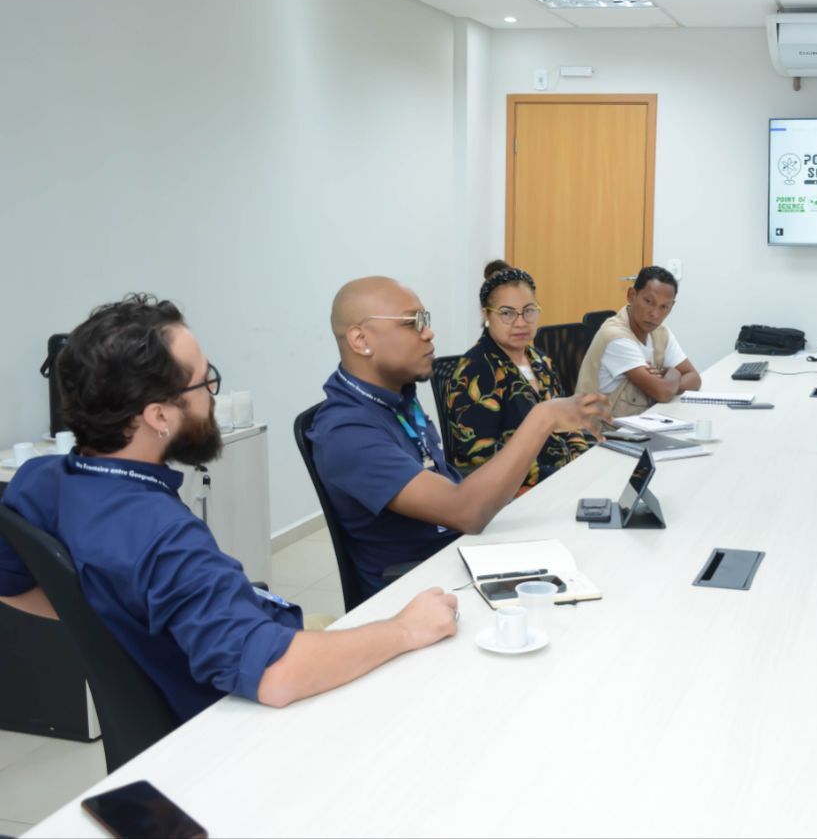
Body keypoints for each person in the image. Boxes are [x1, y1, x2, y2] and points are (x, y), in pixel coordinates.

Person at [0, 295, 460, 722]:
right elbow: (276, 675)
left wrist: (115, 627)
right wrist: (404, 629)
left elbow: (11, 585)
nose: (213, 396)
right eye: (204, 381)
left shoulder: (41, 478)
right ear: (159, 416)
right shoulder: (164, 537)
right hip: (243, 717)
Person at [308, 276, 608, 595]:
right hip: (420, 589)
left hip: (459, 554)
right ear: (360, 339)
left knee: (591, 558)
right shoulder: (345, 433)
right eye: (413, 323)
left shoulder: (396, 399)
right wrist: (544, 416)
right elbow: (465, 512)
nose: (429, 333)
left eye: (426, 320)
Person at [445, 260, 589, 485]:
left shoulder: (541, 360)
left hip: (562, 478)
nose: (521, 322)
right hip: (519, 489)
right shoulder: (477, 369)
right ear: (486, 314)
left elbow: (569, 420)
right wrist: (559, 478)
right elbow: (483, 456)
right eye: (507, 313)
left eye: (529, 311)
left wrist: (581, 462)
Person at [576, 266, 701, 417]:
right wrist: (673, 373)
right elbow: (663, 393)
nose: (655, 314)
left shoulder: (660, 331)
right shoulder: (616, 337)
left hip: (642, 423)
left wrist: (668, 384)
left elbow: (694, 377)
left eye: (664, 307)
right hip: (606, 432)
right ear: (631, 295)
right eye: (648, 301)